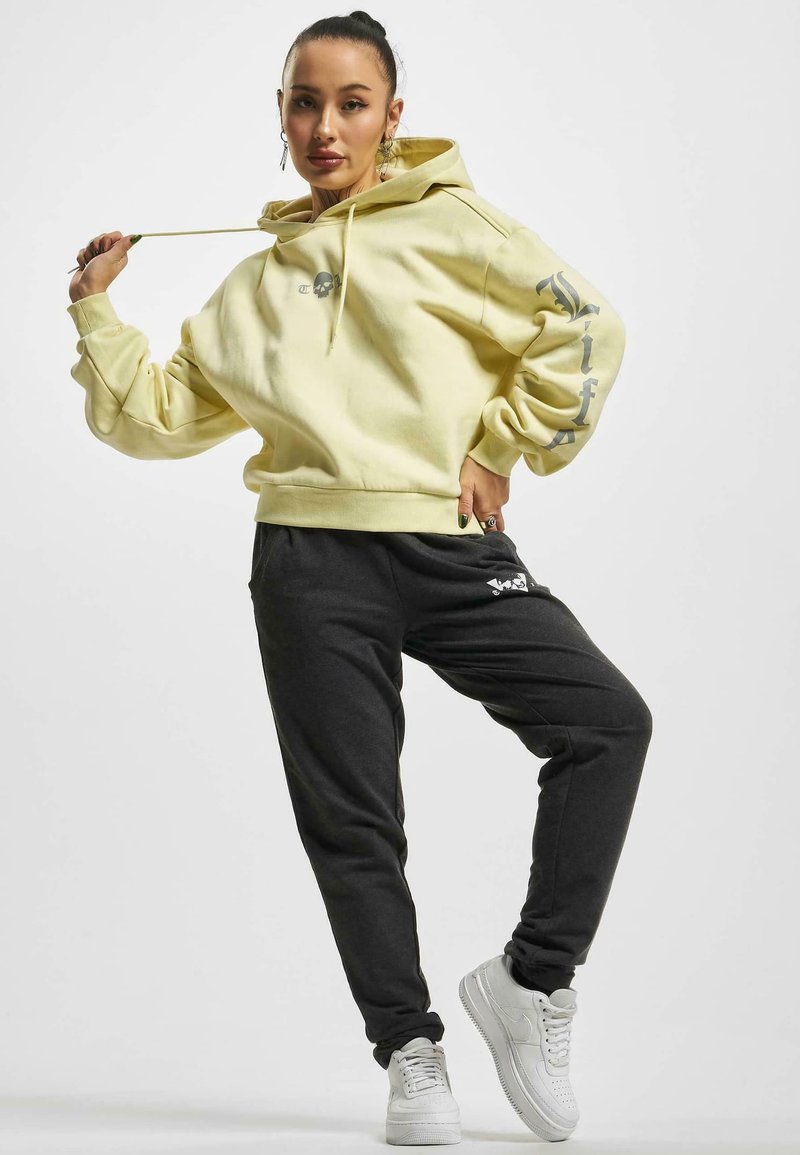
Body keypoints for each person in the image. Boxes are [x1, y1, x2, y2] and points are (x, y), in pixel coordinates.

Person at [65, 9, 653, 1146]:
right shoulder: (250, 288)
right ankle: (407, 1049)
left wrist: (501, 445)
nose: (325, 126)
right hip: (307, 561)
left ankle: (532, 981)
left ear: (393, 115)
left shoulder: (458, 226)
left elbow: (587, 324)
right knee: (352, 818)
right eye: (304, 102)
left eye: (351, 102)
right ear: (281, 118)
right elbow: (159, 417)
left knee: (606, 725)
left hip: (448, 545)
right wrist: (97, 312)